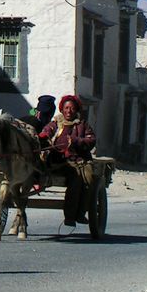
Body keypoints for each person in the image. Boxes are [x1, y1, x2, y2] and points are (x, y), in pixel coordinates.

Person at [39, 94, 97, 227]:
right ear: (62, 109)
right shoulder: (55, 123)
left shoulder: (82, 125)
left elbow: (91, 140)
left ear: (76, 110)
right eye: (66, 108)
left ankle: (75, 214)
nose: (68, 111)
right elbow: (46, 131)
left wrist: (76, 141)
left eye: (71, 108)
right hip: (57, 162)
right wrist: (43, 136)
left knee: (84, 180)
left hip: (78, 162)